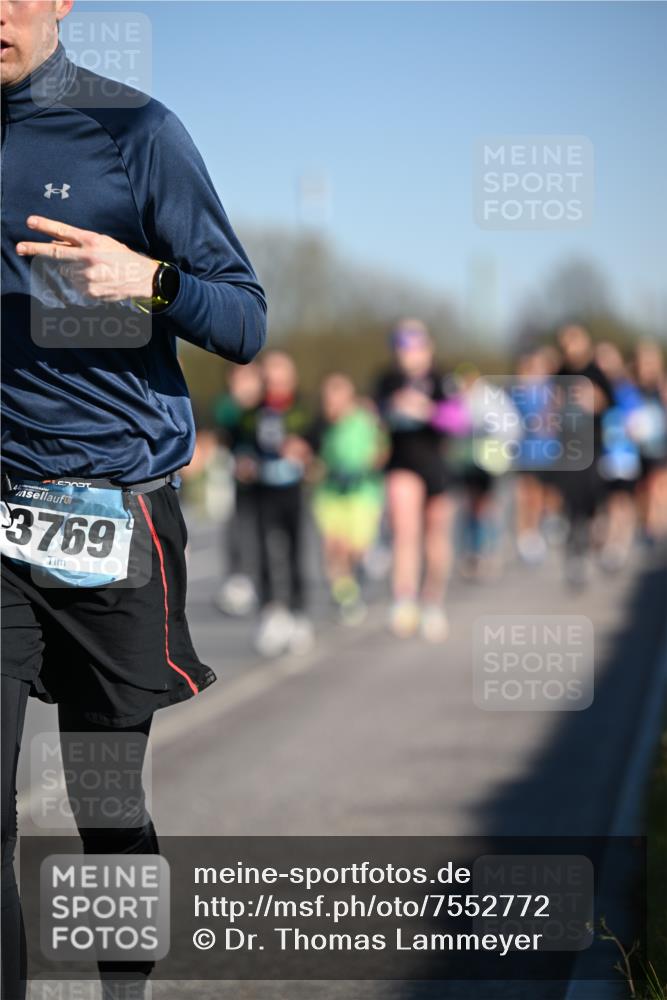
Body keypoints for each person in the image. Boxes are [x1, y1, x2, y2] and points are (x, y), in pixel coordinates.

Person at [0, 4, 266, 998]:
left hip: (110, 511)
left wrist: (150, 279)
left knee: (104, 808)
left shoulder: (136, 132)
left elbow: (243, 320)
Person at [374, 319, 461, 641]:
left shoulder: (442, 380)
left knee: (435, 536)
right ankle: (404, 598)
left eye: (415, 346)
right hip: (402, 463)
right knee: (404, 530)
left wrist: (428, 411)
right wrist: (389, 409)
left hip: (436, 464)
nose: (408, 353)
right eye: (402, 346)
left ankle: (432, 601)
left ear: (428, 348)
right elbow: (374, 414)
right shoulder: (388, 380)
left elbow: (459, 421)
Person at [240, 351, 314, 658]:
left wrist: (305, 453)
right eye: (269, 376)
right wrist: (244, 462)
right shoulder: (253, 412)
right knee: (264, 552)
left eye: (280, 376)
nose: (275, 382)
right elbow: (240, 444)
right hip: (263, 490)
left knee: (295, 551)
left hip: (292, 489)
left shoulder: (302, 410)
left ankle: (298, 613)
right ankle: (271, 611)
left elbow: (317, 444)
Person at [309, 373, 386, 624]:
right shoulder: (321, 426)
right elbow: (313, 457)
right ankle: (345, 595)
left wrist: (368, 465)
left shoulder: (365, 420)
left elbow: (382, 450)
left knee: (356, 549)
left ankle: (361, 569)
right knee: (334, 546)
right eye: (327, 399)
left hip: (362, 492)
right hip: (330, 493)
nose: (331, 404)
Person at [555, 325, 613, 588]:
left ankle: (593, 542)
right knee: (571, 501)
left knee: (592, 499)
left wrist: (594, 400)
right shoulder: (560, 373)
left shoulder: (595, 373)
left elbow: (609, 404)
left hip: (593, 446)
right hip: (568, 447)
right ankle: (575, 551)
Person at [212, 362, 264, 616]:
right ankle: (238, 579)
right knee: (236, 529)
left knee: (262, 532)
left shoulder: (266, 408)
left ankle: (259, 579)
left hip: (266, 482)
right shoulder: (227, 408)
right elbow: (221, 435)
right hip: (235, 481)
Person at [594, 341, 644, 570]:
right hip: (601, 456)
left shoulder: (627, 389)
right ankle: (612, 540)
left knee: (621, 501)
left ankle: (619, 542)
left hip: (623, 456)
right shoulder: (595, 388)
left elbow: (637, 423)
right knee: (608, 502)